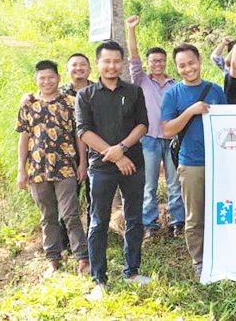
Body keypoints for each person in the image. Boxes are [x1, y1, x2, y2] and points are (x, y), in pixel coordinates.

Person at [76, 41, 150, 300]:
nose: (112, 66)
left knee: (134, 218)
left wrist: (122, 147)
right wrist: (117, 156)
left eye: (116, 61)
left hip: (134, 164)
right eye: (106, 61)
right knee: (98, 221)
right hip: (101, 169)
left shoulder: (133, 91)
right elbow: (84, 131)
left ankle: (131, 272)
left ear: (121, 63)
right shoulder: (86, 95)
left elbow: (143, 125)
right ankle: (99, 280)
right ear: (98, 63)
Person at [16, 60, 89, 277]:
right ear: (36, 80)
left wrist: (82, 163)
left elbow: (79, 136)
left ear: (58, 78)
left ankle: (82, 258)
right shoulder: (28, 105)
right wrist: (21, 169)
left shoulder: (71, 102)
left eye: (51, 77)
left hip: (66, 167)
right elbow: (24, 138)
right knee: (47, 216)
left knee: (70, 214)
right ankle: (53, 259)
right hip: (37, 170)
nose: (47, 81)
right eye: (42, 78)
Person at [161, 44, 227, 279]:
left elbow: (229, 122)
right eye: (182, 65)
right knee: (195, 215)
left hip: (220, 162)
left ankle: (222, 255)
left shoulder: (216, 90)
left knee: (222, 212)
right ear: (177, 68)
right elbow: (167, 129)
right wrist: (190, 111)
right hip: (192, 164)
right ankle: (199, 261)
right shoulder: (173, 94)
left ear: (199, 60)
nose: (188, 68)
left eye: (191, 62)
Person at [125, 15, 183, 240]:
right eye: (154, 61)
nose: (157, 64)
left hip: (171, 139)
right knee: (148, 184)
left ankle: (177, 222)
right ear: (148, 63)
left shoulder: (175, 85)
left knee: (174, 183)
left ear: (166, 62)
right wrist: (131, 30)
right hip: (148, 139)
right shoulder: (141, 80)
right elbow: (133, 58)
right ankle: (149, 223)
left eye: (161, 60)